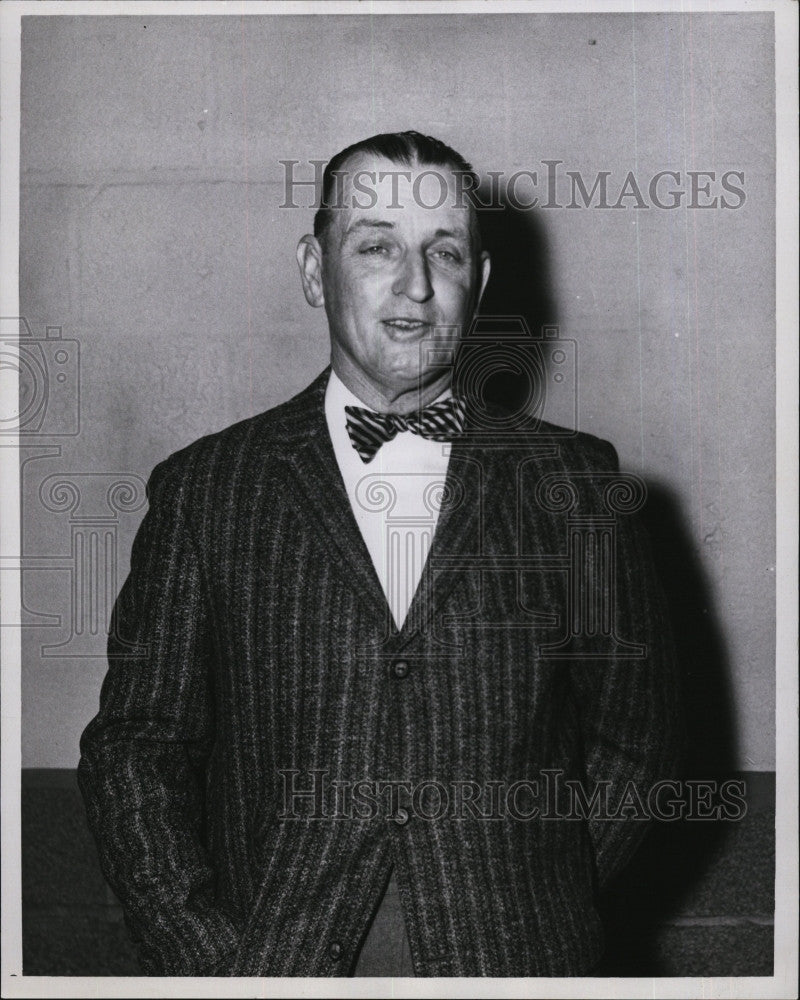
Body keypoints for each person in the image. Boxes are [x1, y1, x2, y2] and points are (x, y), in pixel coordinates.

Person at [78, 130, 682, 978]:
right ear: (314, 271)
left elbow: (634, 742)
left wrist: (541, 899)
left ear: (481, 284)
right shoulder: (208, 489)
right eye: (376, 247)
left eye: (446, 252)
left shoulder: (576, 484)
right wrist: (208, 955)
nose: (416, 286)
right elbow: (137, 745)